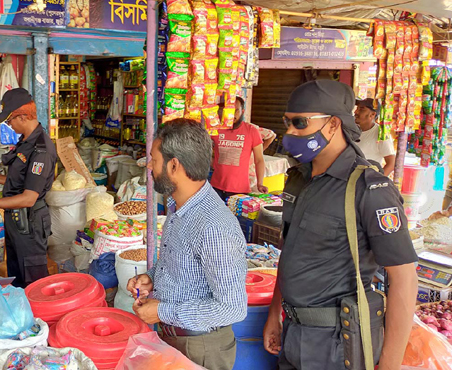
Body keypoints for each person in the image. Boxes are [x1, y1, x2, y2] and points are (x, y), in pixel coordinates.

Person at [263, 80, 418, 370]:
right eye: (287, 122)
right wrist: (275, 313)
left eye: (300, 123)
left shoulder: (370, 189)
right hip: (293, 334)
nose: (290, 133)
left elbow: (405, 279)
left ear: (333, 124)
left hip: (338, 344)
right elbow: (291, 252)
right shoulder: (298, 179)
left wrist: (389, 366)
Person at [127, 119, 247, 370]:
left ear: (174, 165)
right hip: (174, 338)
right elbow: (183, 265)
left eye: (153, 159)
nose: (149, 166)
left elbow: (232, 308)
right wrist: (152, 278)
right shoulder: (179, 206)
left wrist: (162, 312)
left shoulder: (214, 226)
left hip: (201, 347)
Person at [0, 88, 57, 288]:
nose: (9, 125)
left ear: (22, 116)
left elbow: (28, 198)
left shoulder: (41, 150)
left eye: (9, 121)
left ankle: (38, 318)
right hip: (16, 220)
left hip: (29, 223)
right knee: (16, 277)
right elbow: (20, 180)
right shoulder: (25, 142)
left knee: (32, 281)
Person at [210, 96, 268, 201]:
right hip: (216, 186)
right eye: (228, 111)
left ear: (243, 111)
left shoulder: (252, 131)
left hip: (239, 190)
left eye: (236, 111)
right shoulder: (216, 129)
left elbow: (259, 160)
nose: (232, 115)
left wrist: (260, 183)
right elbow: (204, 150)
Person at [354, 98, 396, 176]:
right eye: (357, 108)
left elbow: (391, 164)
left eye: (361, 109)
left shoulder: (380, 134)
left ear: (372, 115)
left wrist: (375, 182)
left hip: (363, 181)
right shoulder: (351, 129)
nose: (356, 112)